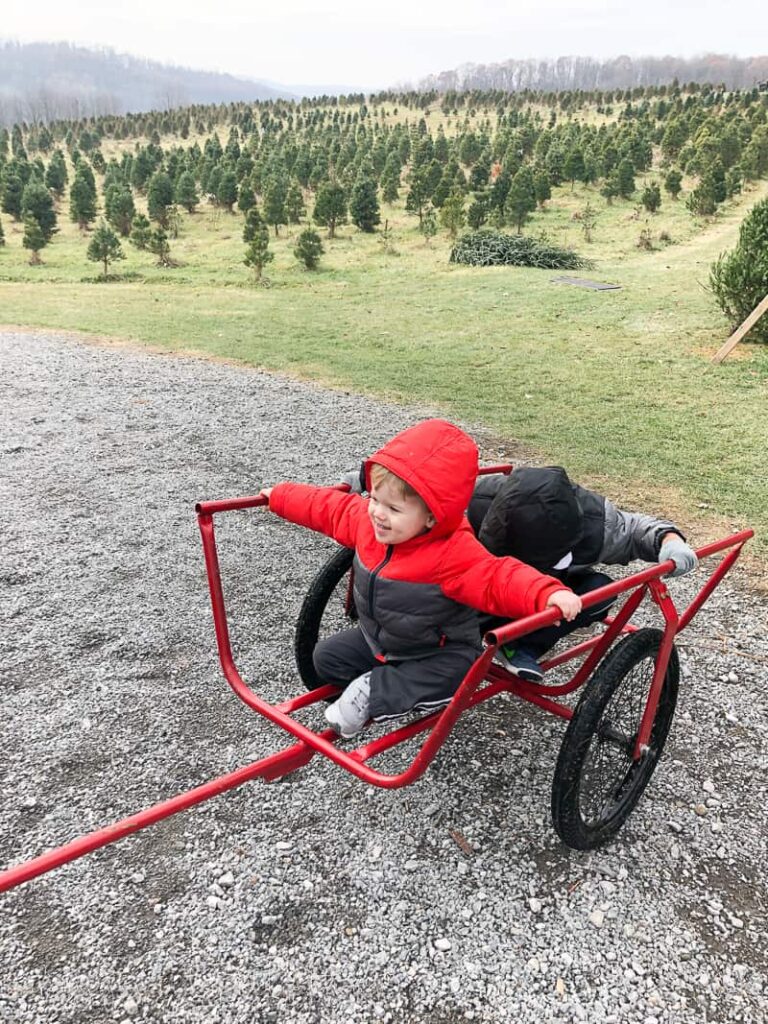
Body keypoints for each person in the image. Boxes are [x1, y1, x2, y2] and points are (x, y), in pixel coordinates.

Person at [259, 419, 581, 738]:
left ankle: (381, 692)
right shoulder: (368, 525)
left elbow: (500, 577)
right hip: (383, 641)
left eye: (393, 509)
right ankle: (393, 687)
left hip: (439, 651)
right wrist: (281, 496)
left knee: (454, 672)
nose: (377, 513)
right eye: (374, 499)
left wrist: (548, 593)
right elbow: (328, 509)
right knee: (326, 660)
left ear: (431, 516)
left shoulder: (452, 554)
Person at [343, 463, 698, 684]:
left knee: (600, 591)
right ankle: (457, 632)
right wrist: (368, 476)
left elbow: (639, 529)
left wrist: (670, 542)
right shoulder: (481, 497)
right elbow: (426, 479)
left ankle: (518, 645)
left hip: (549, 585)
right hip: (488, 575)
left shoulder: (596, 525)